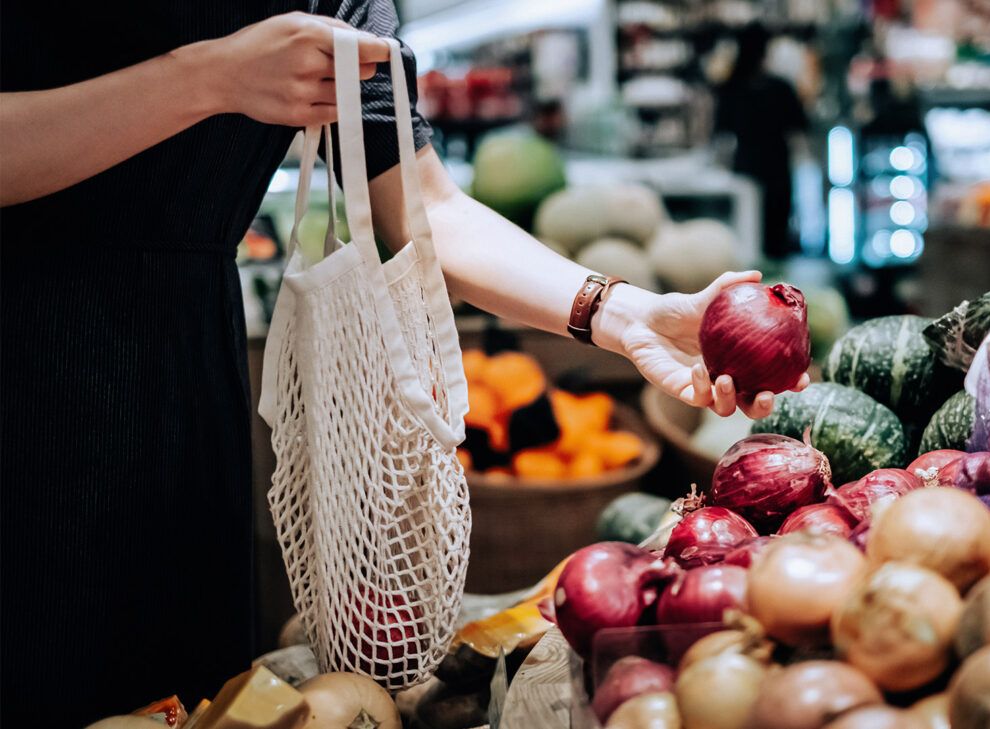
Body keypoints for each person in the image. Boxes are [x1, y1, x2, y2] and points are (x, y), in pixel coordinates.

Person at [0, 4, 806, 725]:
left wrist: (623, 313)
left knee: (187, 690)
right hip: (26, 341)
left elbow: (428, 208)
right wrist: (208, 78)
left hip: (184, 371)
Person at [714, 24, 809, 259]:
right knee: (776, 238)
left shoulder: (731, 88)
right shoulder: (781, 87)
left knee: (747, 240)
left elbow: (721, 132)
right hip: (777, 169)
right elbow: (800, 126)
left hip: (746, 169)